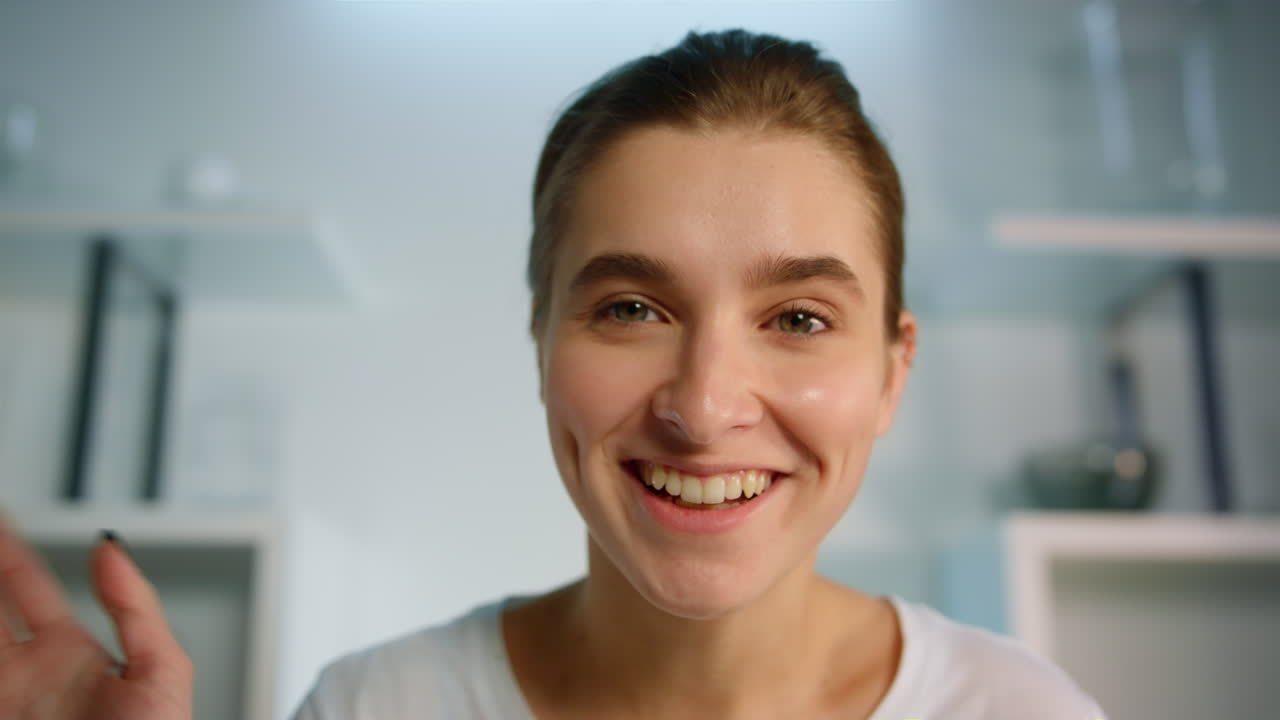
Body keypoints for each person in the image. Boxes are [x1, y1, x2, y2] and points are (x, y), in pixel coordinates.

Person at [0, 29, 1106, 720]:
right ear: (541, 338)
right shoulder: (373, 708)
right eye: (629, 307)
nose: (704, 405)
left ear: (890, 370)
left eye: (798, 317)